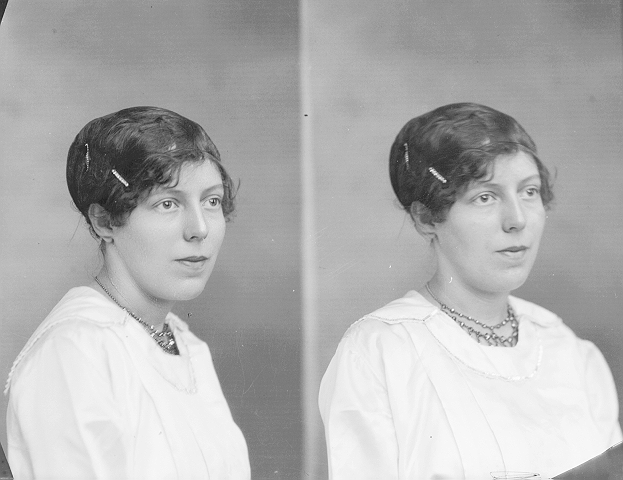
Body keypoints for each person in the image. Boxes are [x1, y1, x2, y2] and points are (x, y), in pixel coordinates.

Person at [318, 103, 622, 479]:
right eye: (485, 197)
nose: (517, 220)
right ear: (426, 217)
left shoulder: (571, 352)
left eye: (529, 192)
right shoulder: (380, 351)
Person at [5, 106, 251, 479]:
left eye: (211, 201)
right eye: (167, 203)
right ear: (104, 220)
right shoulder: (75, 353)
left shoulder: (184, 343)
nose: (200, 229)